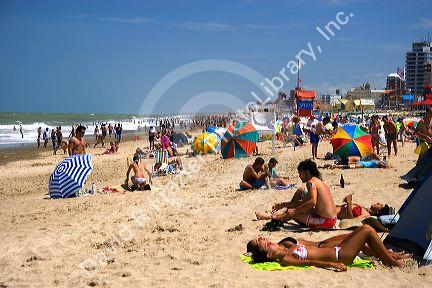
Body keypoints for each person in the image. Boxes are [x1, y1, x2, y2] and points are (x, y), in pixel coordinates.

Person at [246, 225, 407, 271]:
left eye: (268, 242)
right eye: (268, 246)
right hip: (340, 256)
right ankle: (392, 262)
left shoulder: (287, 249)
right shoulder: (286, 259)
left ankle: (390, 257)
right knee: (368, 230)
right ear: (269, 256)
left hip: (338, 250)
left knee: (361, 230)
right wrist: (332, 264)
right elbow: (310, 262)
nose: (270, 242)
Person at [258, 159, 337, 229]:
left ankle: (272, 217)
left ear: (307, 172)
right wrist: (283, 205)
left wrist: (294, 211)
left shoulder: (310, 183)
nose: (299, 175)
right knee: (294, 209)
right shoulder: (318, 181)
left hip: (326, 221)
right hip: (332, 219)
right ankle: (275, 216)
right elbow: (303, 203)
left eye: (301, 173)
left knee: (294, 214)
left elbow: (312, 202)